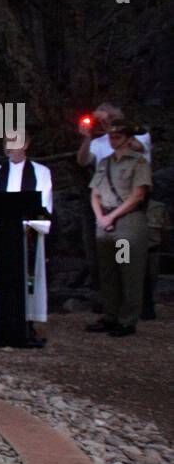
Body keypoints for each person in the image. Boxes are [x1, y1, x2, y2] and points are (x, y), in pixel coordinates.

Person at [0, 133, 53, 340]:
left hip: (26, 235)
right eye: (7, 143)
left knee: (28, 279)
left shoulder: (41, 172)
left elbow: (43, 201)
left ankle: (26, 322)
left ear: (26, 144)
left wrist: (28, 222)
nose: (11, 147)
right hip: (1, 235)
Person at [88, 124, 151, 337]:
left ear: (127, 138)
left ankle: (126, 320)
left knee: (126, 269)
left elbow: (138, 195)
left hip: (126, 223)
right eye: (111, 137)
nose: (113, 140)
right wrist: (100, 217)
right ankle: (110, 315)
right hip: (105, 222)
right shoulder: (105, 163)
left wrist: (111, 217)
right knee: (107, 271)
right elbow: (95, 193)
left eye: (118, 137)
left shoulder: (138, 162)